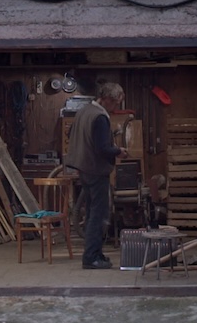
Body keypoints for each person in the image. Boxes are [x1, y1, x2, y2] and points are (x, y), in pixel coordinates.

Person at [64, 81, 129, 269]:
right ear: (107, 99)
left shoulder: (84, 111)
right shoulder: (100, 117)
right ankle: (91, 258)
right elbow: (102, 148)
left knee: (92, 212)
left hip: (84, 169)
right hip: (95, 170)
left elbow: (73, 135)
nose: (116, 107)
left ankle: (95, 253)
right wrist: (118, 151)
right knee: (97, 215)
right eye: (116, 103)